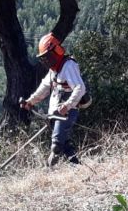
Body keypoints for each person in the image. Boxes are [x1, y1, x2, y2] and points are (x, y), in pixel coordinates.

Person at [20, 33, 88, 167]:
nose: (46, 60)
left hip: (67, 111)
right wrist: (30, 101)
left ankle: (49, 168)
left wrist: (67, 106)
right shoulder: (54, 70)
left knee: (56, 144)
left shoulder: (69, 66)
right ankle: (77, 167)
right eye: (44, 58)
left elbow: (80, 88)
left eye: (48, 56)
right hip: (56, 112)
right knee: (65, 143)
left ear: (56, 51)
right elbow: (44, 87)